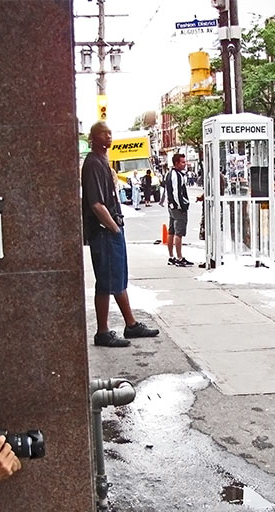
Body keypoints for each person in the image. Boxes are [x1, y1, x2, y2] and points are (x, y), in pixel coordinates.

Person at [81, 120, 159, 347]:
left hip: (110, 230)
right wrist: (113, 228)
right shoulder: (93, 163)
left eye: (110, 133)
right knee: (108, 281)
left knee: (115, 279)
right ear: (93, 139)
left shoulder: (101, 161)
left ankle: (129, 325)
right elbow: (96, 204)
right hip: (105, 231)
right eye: (104, 134)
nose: (109, 137)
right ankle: (108, 330)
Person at [165, 152, 194, 267]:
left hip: (172, 206)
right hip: (177, 207)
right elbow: (176, 192)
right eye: (182, 162)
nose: (185, 164)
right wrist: (181, 206)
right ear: (176, 163)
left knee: (171, 231)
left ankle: (172, 256)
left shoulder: (171, 174)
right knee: (178, 232)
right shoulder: (176, 175)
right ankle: (179, 257)